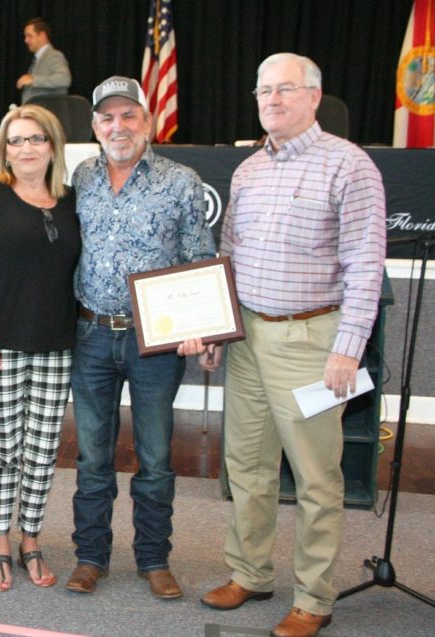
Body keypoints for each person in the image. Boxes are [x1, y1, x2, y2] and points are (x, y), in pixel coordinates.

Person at [197, 53, 385, 637]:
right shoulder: (248, 170)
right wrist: (220, 327)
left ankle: (314, 597)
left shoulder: (349, 167)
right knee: (247, 466)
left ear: (313, 96)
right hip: (249, 338)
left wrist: (347, 350)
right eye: (262, 92)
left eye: (284, 90)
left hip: (312, 340)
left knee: (315, 476)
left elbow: (365, 267)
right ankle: (250, 572)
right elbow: (228, 257)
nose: (272, 100)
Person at [67, 76, 215, 599]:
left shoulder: (181, 181)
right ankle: (90, 557)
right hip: (89, 335)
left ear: (147, 122)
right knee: (91, 457)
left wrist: (207, 329)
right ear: (94, 127)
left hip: (156, 342)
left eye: (129, 115)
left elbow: (200, 257)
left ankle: (154, 559)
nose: (118, 126)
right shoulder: (79, 176)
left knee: (154, 457)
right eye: (107, 117)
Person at [0, 104, 80, 592]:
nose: (25, 149)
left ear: (52, 145)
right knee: (4, 450)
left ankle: (32, 539)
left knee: (43, 451)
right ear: (4, 149)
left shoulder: (72, 200)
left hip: (57, 346)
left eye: (35, 139)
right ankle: (1, 544)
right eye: (15, 141)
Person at [16, 17, 71, 103]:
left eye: (29, 36)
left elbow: (64, 79)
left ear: (42, 35)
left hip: (48, 112)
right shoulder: (39, 58)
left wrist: (33, 80)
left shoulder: (54, 55)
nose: (26, 40)